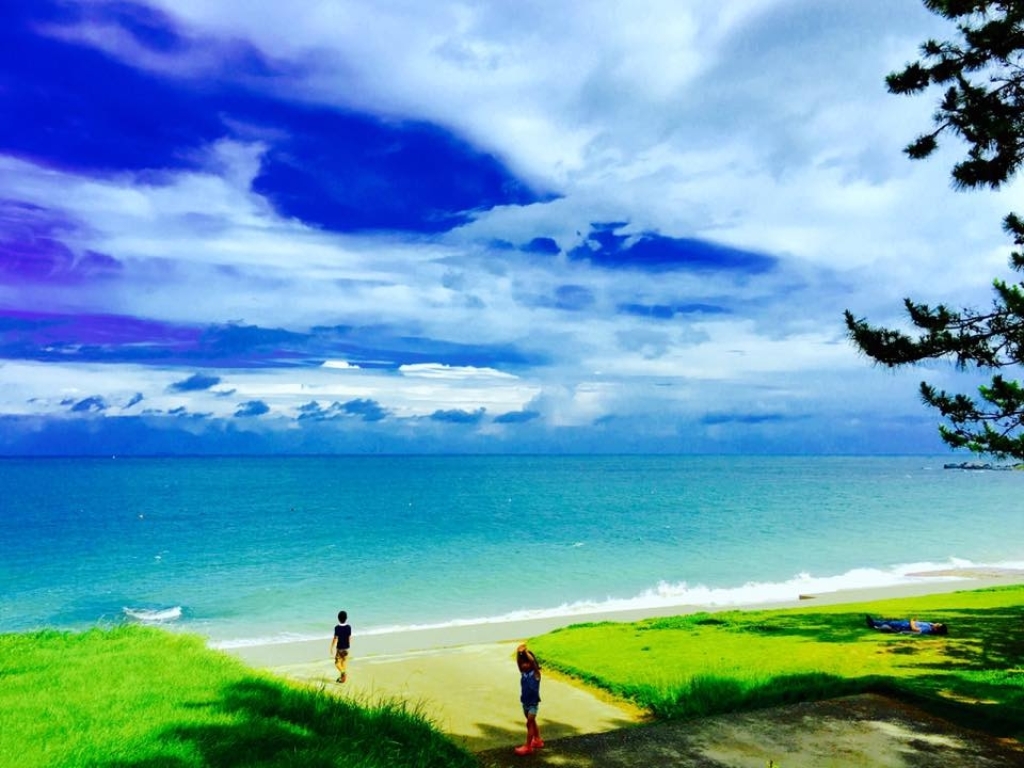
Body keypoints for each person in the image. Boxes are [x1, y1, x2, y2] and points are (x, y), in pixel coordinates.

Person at [514, 643, 543, 755]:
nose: (524, 665)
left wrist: (525, 652)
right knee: (532, 722)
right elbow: (518, 663)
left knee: (529, 723)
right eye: (522, 663)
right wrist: (518, 653)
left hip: (533, 704)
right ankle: (538, 740)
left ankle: (528, 746)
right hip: (525, 703)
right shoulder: (523, 674)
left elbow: (532, 662)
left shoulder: (536, 674)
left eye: (526, 663)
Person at [866, 615, 948, 635]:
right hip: (905, 623)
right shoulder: (930, 626)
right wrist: (934, 624)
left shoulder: (928, 630)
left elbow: (914, 629)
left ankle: (873, 623)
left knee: (889, 623)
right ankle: (874, 623)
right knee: (889, 622)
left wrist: (912, 621)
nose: (937, 623)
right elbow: (930, 624)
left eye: (938, 624)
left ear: (936, 629)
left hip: (904, 626)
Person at [330, 610, 352, 683]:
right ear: (346, 618)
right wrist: (348, 645)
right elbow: (349, 638)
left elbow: (335, 638)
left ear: (338, 618)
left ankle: (343, 673)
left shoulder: (337, 628)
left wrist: (331, 647)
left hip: (340, 649)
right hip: (346, 648)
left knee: (337, 663)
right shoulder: (349, 627)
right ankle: (342, 679)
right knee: (343, 663)